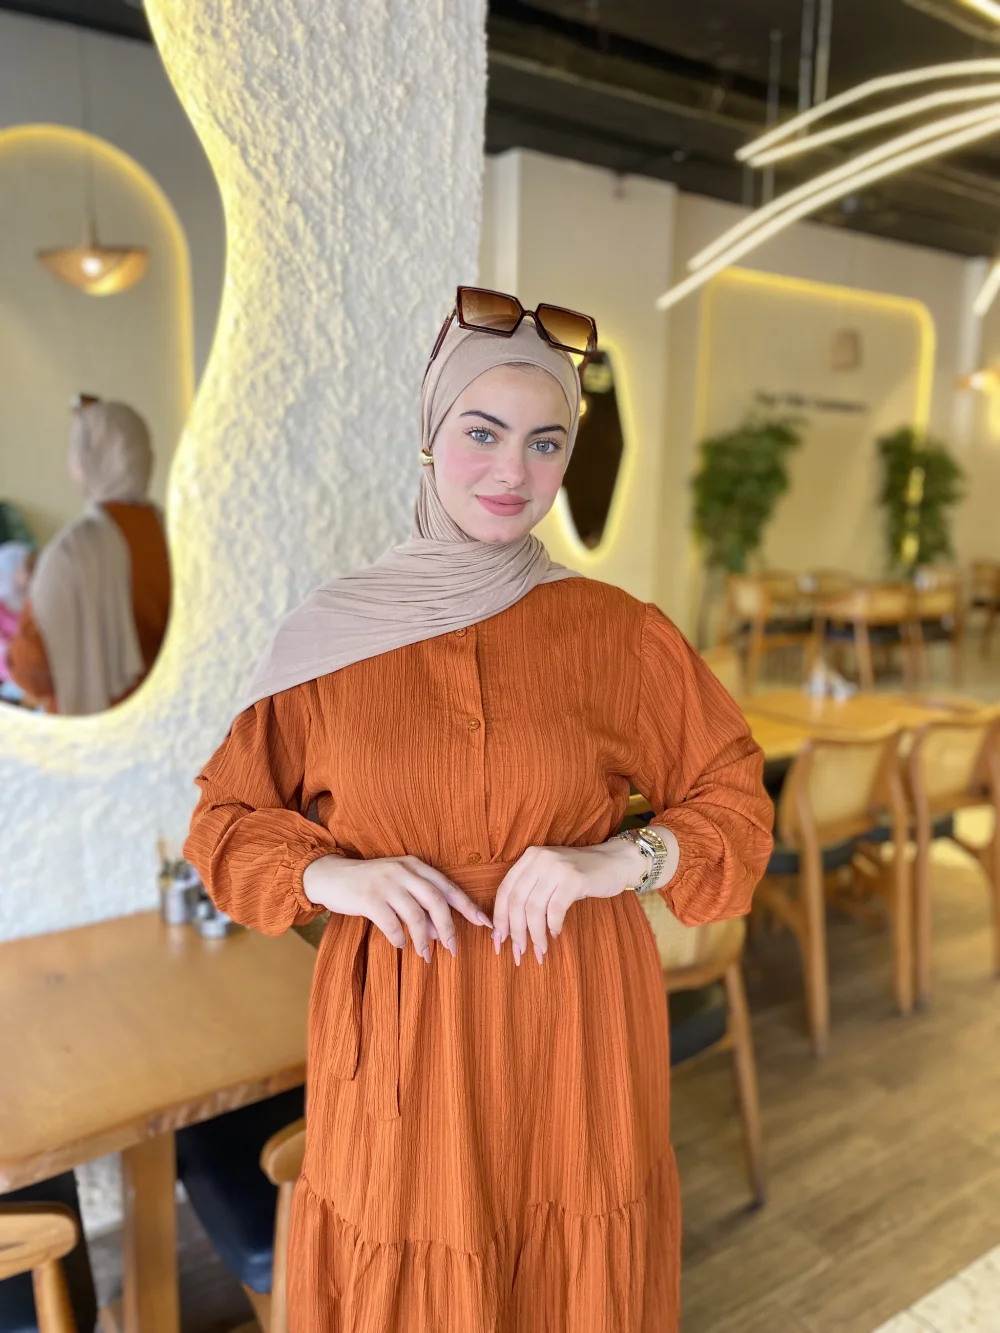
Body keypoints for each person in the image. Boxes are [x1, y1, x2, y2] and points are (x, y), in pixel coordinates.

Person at [184, 288, 773, 1332]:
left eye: (546, 442)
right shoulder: (330, 638)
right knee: (409, 1269)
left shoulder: (618, 632)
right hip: (402, 1030)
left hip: (575, 1014)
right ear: (430, 435)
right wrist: (333, 873)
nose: (513, 472)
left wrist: (623, 858)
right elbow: (225, 825)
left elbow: (734, 803)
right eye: (483, 432)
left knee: (573, 1260)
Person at [7, 399, 171, 715]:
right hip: (163, 717)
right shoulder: (169, 533)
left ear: (92, 459)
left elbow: (31, 670)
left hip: (93, 731)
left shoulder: (74, 551)